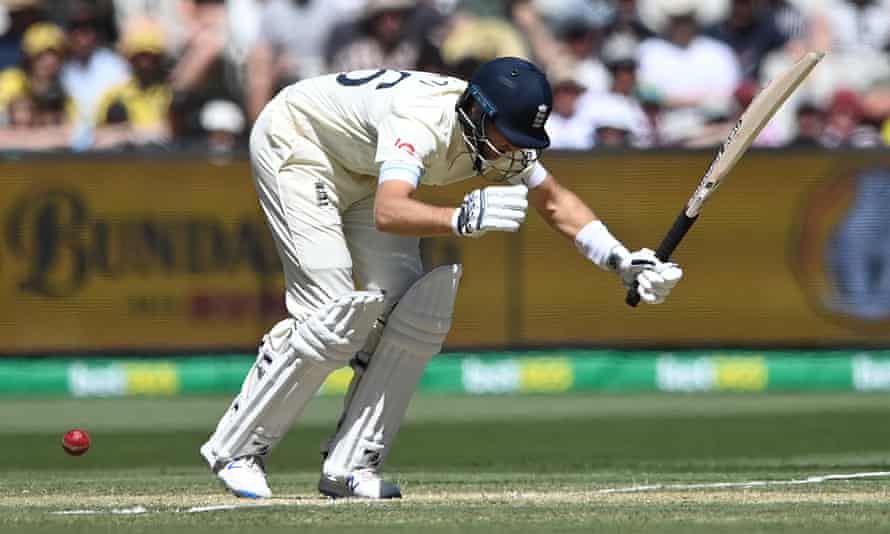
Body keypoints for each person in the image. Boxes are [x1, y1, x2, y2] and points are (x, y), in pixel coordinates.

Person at [198, 57, 684, 500]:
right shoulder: (422, 121)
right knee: (331, 315)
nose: (512, 150)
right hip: (301, 144)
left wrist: (621, 262)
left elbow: (553, 200)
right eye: (507, 135)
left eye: (522, 139)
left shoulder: (502, 136)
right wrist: (459, 219)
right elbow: (391, 210)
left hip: (367, 167)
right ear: (476, 110)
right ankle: (237, 450)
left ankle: (350, 467)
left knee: (412, 315)